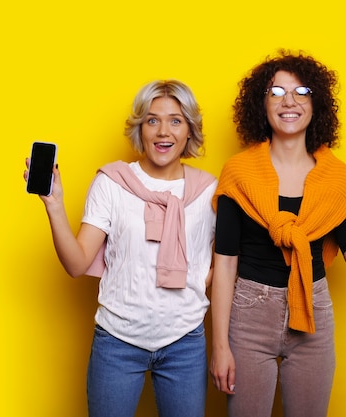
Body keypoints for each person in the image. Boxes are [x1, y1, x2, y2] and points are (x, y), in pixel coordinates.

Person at [209, 50, 346, 416]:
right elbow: (225, 263)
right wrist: (221, 346)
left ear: (315, 103)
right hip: (249, 315)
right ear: (260, 104)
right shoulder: (238, 173)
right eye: (276, 92)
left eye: (301, 91)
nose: (288, 101)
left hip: (313, 314)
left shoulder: (336, 177)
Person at [24, 80, 217, 417]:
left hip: (185, 342)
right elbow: (77, 263)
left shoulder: (208, 191)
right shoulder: (112, 183)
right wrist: (54, 205)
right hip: (117, 340)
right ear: (140, 128)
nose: (163, 131)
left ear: (190, 130)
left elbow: (224, 262)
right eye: (152, 120)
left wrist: (200, 281)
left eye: (175, 120)